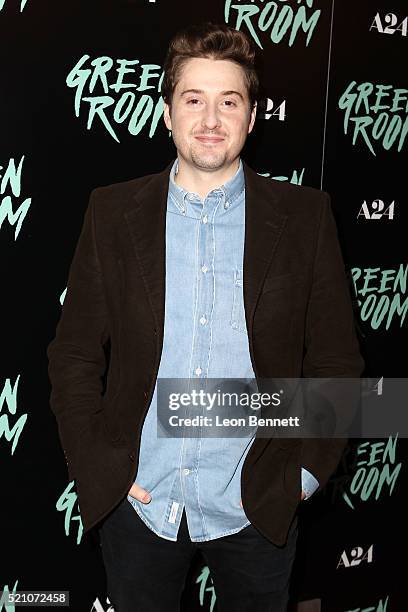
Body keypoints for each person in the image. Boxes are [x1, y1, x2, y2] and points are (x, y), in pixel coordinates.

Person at [47, 22, 364, 612]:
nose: (211, 119)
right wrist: (100, 467)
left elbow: (337, 362)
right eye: (193, 99)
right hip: (140, 499)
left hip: (257, 499)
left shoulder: (306, 218)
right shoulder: (112, 212)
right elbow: (74, 353)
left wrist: (302, 477)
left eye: (229, 101)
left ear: (251, 115)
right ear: (167, 113)